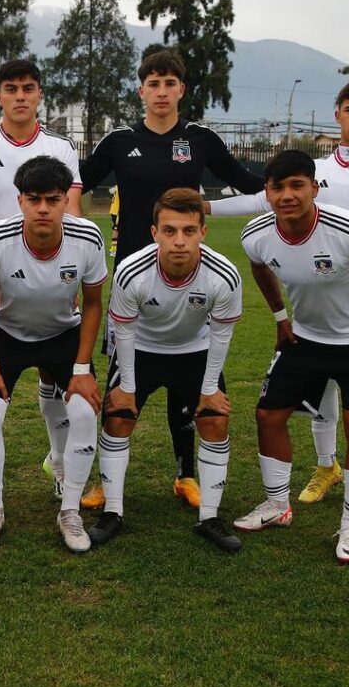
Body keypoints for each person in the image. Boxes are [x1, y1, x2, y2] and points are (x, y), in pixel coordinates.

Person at [208, 81, 349, 516]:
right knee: (319, 398)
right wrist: (201, 207)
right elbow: (258, 204)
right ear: (337, 113)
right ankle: (326, 468)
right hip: (311, 311)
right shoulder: (312, 168)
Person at [79, 49, 265, 512]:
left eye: (169, 83)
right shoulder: (119, 141)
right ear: (141, 90)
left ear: (182, 90)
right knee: (124, 384)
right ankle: (107, 480)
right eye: (153, 83)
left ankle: (185, 476)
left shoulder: (200, 140)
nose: (161, 92)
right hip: (133, 281)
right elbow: (75, 184)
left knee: (188, 381)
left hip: (190, 278)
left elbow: (249, 183)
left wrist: (291, 180)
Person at [234, 150, 349, 563]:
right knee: (268, 416)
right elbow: (260, 267)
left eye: (297, 185)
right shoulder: (256, 234)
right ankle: (278, 506)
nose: (287, 195)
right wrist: (281, 318)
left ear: (314, 188)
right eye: (277, 187)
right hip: (305, 341)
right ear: (268, 192)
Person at [0, 58, 85, 504]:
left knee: (57, 380)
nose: (19, 96)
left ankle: (59, 461)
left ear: (39, 94)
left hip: (54, 278)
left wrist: (69, 279)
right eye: (10, 89)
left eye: (28, 88)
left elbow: (72, 211)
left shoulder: (62, 146)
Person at [90, 188, 242, 553]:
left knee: (215, 420)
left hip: (196, 350)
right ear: (154, 233)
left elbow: (221, 336)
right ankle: (113, 512)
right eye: (169, 231)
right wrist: (126, 386)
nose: (179, 241)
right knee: (118, 416)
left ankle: (209, 517)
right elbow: (122, 332)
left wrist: (209, 390)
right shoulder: (130, 271)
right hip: (141, 349)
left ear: (203, 232)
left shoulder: (224, 275)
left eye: (189, 231)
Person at [0, 155, 106, 552]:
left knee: (83, 411)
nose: (43, 208)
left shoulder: (89, 238)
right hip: (7, 334)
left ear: (67, 200)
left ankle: (70, 511)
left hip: (63, 334)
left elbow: (94, 304)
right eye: (34, 199)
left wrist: (82, 368)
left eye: (53, 199)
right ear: (20, 201)